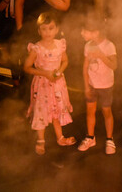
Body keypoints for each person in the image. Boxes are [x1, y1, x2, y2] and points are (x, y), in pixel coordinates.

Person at [23, 12, 75, 155]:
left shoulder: (60, 45)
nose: (48, 32)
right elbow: (27, 67)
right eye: (44, 29)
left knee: (56, 109)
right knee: (42, 110)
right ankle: (41, 140)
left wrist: (59, 71)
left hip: (57, 83)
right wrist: (45, 73)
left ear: (57, 29)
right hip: (42, 84)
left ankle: (60, 137)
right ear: (39, 31)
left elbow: (65, 61)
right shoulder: (36, 48)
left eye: (51, 28)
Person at [77, 15, 117, 155]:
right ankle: (90, 137)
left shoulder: (109, 45)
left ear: (96, 32)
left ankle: (109, 139)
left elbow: (114, 65)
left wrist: (101, 55)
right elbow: (85, 67)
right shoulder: (87, 46)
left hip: (105, 85)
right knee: (90, 111)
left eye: (85, 30)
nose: (82, 33)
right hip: (92, 85)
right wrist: (86, 86)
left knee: (106, 111)